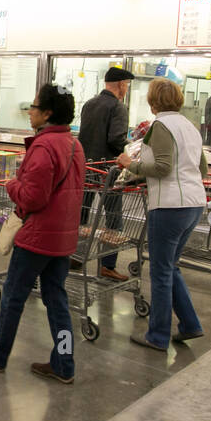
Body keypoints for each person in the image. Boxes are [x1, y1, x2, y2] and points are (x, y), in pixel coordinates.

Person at [0, 84, 83, 383]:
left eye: (34, 107)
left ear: (47, 114)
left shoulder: (43, 148)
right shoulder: (74, 145)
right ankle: (64, 363)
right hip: (62, 238)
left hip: (37, 238)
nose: (29, 111)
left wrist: (10, 184)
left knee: (14, 298)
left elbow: (32, 198)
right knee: (57, 300)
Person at [116, 77, 208, 352]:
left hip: (170, 206)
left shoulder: (161, 126)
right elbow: (201, 170)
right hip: (194, 203)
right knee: (170, 266)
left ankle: (157, 336)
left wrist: (130, 165)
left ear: (152, 101)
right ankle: (190, 324)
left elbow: (164, 167)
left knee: (159, 270)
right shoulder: (190, 127)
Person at [77, 66, 133, 281]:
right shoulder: (118, 107)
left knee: (82, 213)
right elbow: (115, 139)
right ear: (120, 85)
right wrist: (133, 148)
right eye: (126, 84)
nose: (126, 88)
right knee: (114, 220)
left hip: (86, 168)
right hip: (108, 172)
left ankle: (76, 256)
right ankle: (107, 265)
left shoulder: (89, 104)